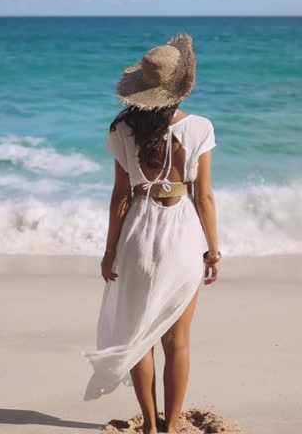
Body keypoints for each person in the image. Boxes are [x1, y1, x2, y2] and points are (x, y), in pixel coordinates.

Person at [81, 32, 221, 434]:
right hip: (182, 237)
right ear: (181, 87)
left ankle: (149, 428)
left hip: (138, 237)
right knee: (177, 342)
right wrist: (213, 251)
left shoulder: (122, 130)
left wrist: (109, 252)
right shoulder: (199, 128)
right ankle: (172, 426)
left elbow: (119, 197)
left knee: (140, 336)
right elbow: (205, 197)